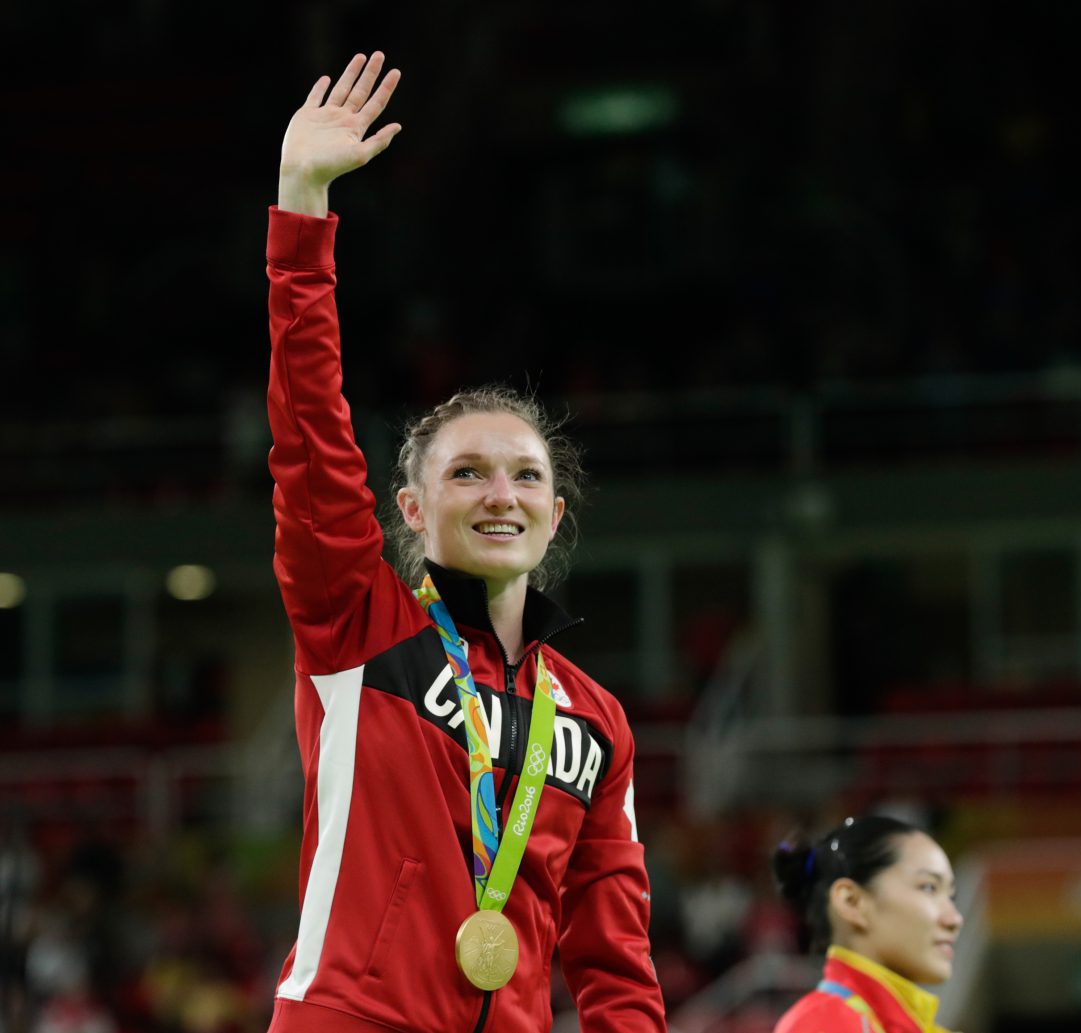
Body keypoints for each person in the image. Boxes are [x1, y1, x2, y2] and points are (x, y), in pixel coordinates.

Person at [264, 51, 666, 1033]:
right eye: (467, 473)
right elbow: (311, 431)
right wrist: (302, 213)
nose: (500, 495)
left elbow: (616, 964)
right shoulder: (358, 626)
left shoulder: (596, 723)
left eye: (525, 476)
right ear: (410, 509)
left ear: (555, 516)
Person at [771, 816, 963, 1033]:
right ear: (851, 902)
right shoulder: (822, 1024)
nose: (955, 919)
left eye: (951, 896)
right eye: (929, 888)